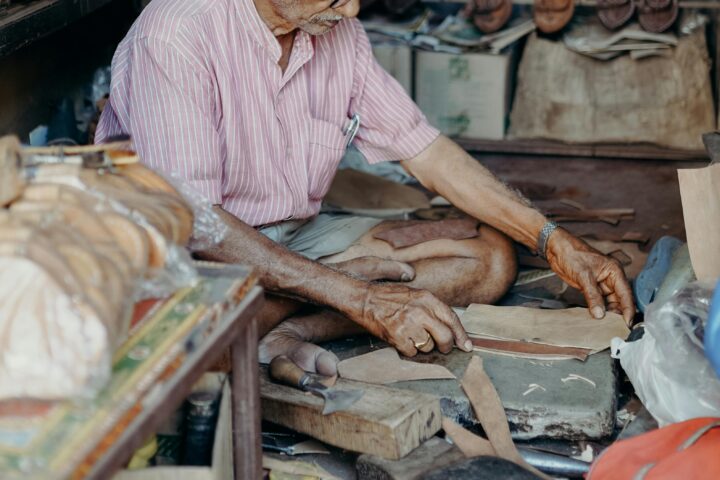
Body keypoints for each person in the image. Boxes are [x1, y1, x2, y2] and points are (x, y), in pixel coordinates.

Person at [96, 0, 634, 375]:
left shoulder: (336, 32)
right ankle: (323, 293)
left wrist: (554, 241)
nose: (352, 10)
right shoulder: (175, 31)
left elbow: (425, 151)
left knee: (491, 259)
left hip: (294, 239)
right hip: (199, 256)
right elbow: (196, 221)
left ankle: (293, 327)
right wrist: (358, 295)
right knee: (181, 354)